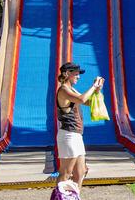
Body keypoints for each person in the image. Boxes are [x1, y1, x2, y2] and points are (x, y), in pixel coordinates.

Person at [56, 62, 104, 190]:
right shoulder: (63, 90)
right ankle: (60, 197)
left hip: (76, 135)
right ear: (67, 74)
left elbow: (88, 102)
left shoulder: (72, 89)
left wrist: (97, 89)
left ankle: (74, 197)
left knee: (80, 172)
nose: (78, 77)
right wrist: (93, 86)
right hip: (68, 135)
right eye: (76, 74)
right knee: (66, 172)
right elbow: (82, 99)